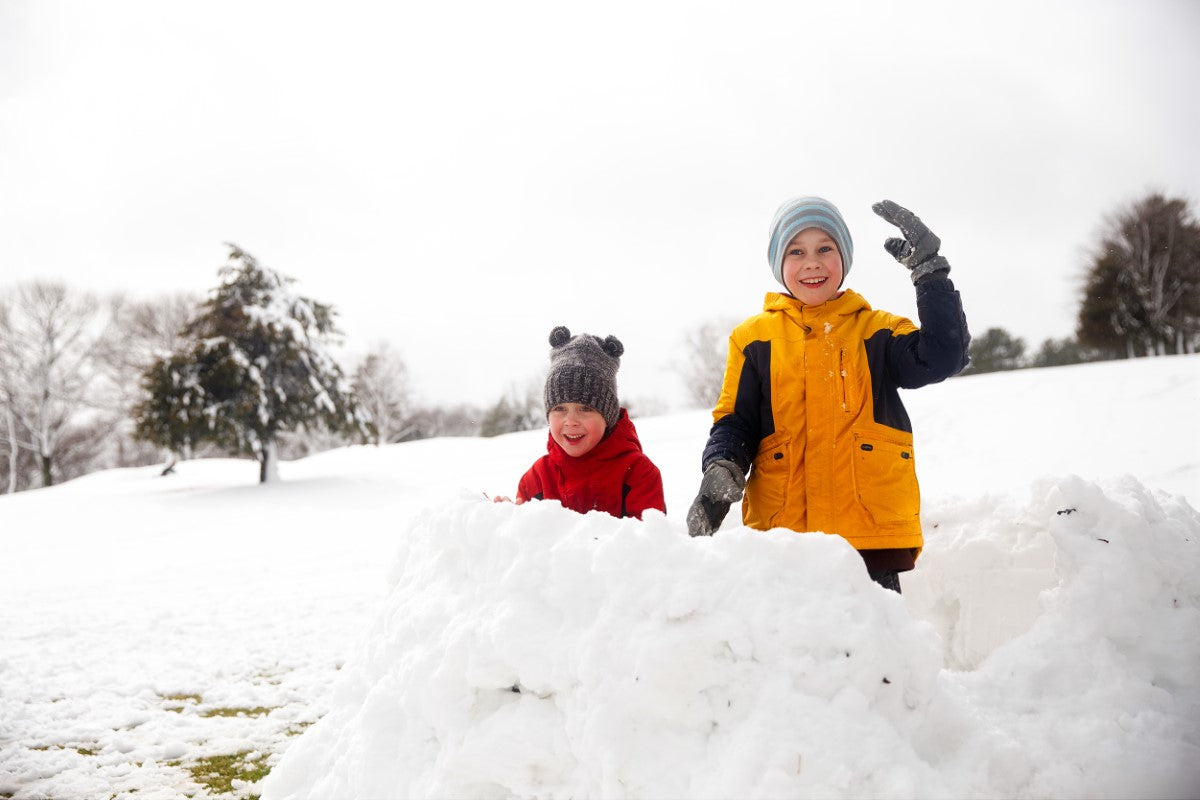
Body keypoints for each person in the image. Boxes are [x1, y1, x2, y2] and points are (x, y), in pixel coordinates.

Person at [685, 197, 970, 592]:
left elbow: (943, 357)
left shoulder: (878, 331)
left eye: (825, 249)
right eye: (796, 251)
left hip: (866, 535)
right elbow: (736, 421)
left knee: (874, 648)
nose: (812, 262)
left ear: (844, 258)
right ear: (778, 265)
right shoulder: (752, 339)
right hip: (785, 535)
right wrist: (722, 467)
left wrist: (930, 273)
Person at [495, 326, 665, 519]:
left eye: (586, 409)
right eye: (559, 409)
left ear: (607, 416)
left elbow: (650, 543)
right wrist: (507, 519)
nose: (571, 421)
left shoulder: (639, 474)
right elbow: (526, 543)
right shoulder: (537, 479)